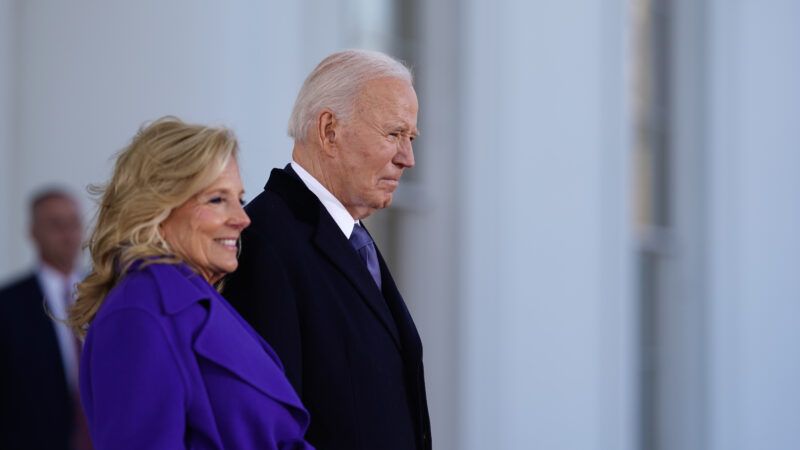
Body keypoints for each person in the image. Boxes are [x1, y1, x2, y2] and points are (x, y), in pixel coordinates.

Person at [223, 49, 432, 450]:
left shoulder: (352, 239)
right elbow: (270, 431)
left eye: (411, 137)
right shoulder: (265, 243)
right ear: (329, 131)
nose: (408, 158)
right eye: (394, 134)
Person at [68, 117, 314, 450]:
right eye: (217, 200)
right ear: (157, 209)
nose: (242, 219)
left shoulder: (197, 305)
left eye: (238, 200)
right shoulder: (137, 314)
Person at [0, 188, 91, 450]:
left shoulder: (107, 296)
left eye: (73, 223)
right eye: (55, 224)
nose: (67, 234)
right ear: (33, 232)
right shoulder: (8, 305)